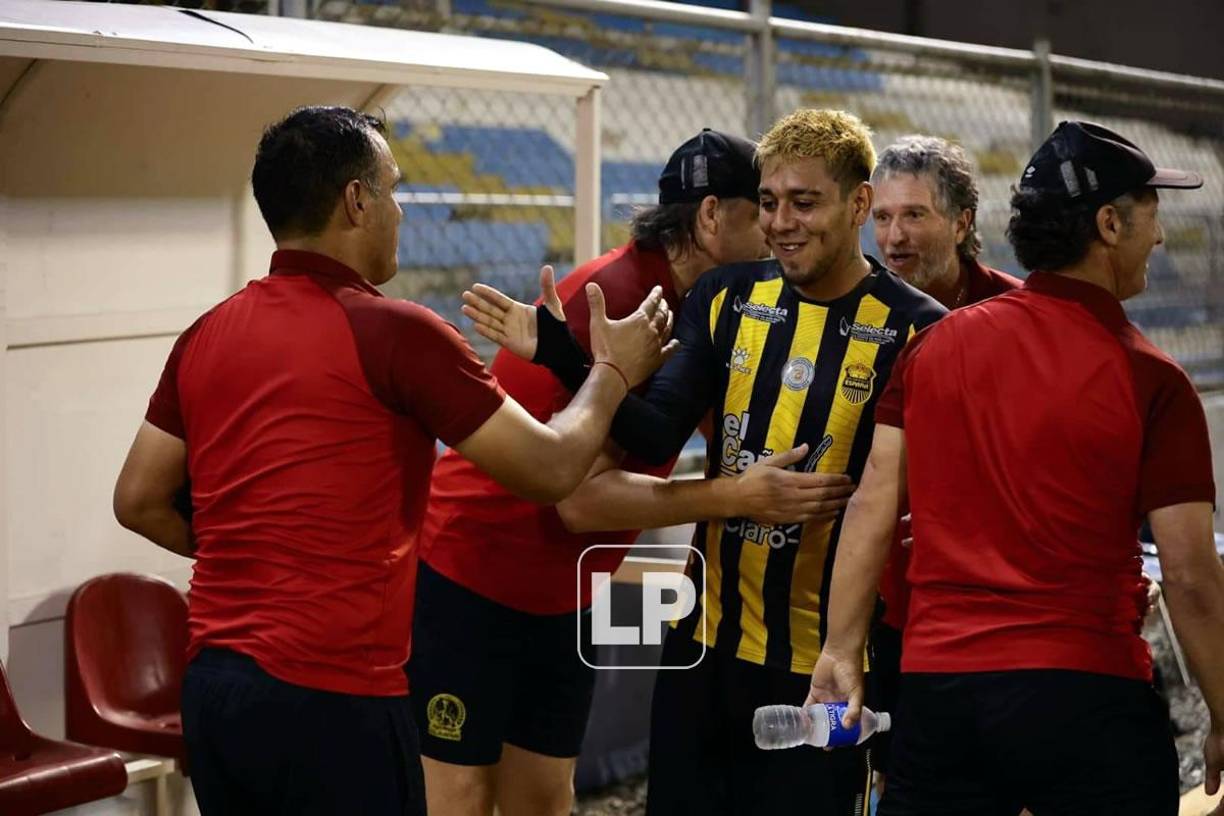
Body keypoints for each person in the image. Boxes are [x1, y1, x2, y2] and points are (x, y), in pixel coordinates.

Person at [111, 105, 671, 816]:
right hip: (334, 698)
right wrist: (612, 373)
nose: (402, 211)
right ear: (356, 200)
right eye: (395, 190)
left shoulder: (207, 332)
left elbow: (138, 499)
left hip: (217, 691)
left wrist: (252, 552)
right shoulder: (396, 332)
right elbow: (554, 469)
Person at [465, 109, 946, 816]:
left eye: (805, 203)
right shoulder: (728, 297)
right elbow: (657, 433)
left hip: (825, 665)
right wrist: (566, 352)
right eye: (773, 202)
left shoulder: (919, 329)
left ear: (859, 204)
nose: (783, 222)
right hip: (704, 647)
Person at [412, 129, 835, 816]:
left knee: (546, 795)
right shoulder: (621, 299)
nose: (774, 231)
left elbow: (695, 425)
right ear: (708, 217)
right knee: (459, 795)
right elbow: (580, 502)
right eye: (759, 208)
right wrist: (737, 496)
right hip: (475, 578)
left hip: (564, 592)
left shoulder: (706, 303)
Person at [807, 120, 1224, 816]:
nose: (1159, 236)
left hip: (939, 697)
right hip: (1086, 695)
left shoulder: (934, 349)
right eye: (1152, 213)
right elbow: (1188, 575)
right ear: (1110, 224)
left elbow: (873, 505)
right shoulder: (1153, 379)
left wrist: (840, 651)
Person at [867, 135, 1021, 773]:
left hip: (997, 610)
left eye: (914, 215)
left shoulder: (1016, 316)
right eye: (881, 216)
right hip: (885, 603)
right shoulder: (849, 308)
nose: (894, 236)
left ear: (962, 223)